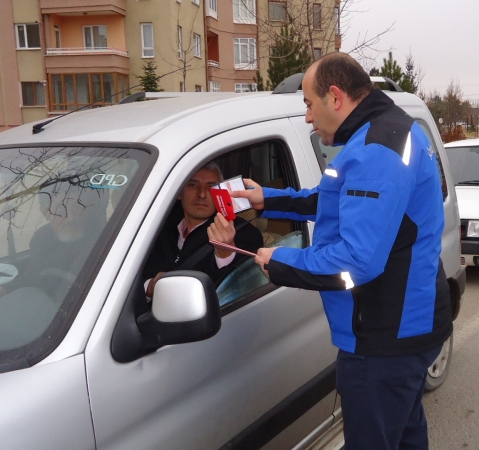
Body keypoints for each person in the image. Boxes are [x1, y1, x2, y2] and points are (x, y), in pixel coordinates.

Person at [232, 53, 452, 450]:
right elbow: (334, 200)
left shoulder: (377, 148)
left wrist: (279, 261)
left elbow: (356, 262)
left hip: (385, 338)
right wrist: (269, 200)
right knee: (403, 434)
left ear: (335, 97)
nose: (307, 118)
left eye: (308, 104)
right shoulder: (382, 133)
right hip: (407, 325)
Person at [142, 163, 262, 296]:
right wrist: (150, 287)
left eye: (211, 187)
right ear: (179, 193)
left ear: (221, 194)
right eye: (193, 185)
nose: (202, 194)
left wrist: (225, 253)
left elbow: (238, 291)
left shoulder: (245, 234)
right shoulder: (155, 227)